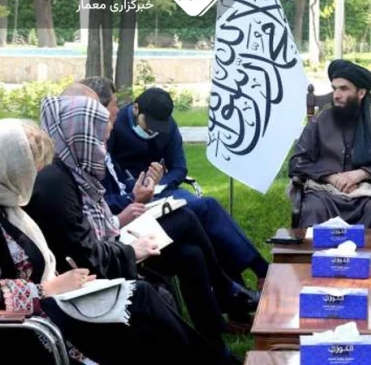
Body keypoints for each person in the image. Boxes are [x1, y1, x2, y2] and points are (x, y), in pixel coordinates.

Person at [0, 119, 236, 365]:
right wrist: (51, 288)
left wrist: (70, 283)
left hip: (39, 314)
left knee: (140, 301)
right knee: (139, 300)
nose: (34, 178)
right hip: (15, 336)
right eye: (31, 169)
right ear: (10, 167)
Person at [24, 94, 257, 339]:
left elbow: (170, 169)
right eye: (101, 139)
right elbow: (87, 248)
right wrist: (129, 228)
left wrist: (147, 187)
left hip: (119, 228)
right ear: (82, 132)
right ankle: (229, 291)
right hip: (108, 252)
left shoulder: (79, 168)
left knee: (192, 253)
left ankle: (214, 336)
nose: (103, 149)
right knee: (189, 218)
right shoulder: (59, 181)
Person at [102, 83, 269, 287]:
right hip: (132, 198)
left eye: (158, 126)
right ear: (136, 109)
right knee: (204, 212)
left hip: (165, 191)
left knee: (207, 210)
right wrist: (138, 188)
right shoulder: (115, 126)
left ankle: (245, 285)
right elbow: (110, 172)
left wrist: (160, 184)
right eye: (149, 124)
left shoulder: (167, 125)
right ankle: (253, 276)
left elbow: (179, 167)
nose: (153, 130)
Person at [288, 59, 371, 228]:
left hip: (367, 194)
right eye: (334, 88)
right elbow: (297, 162)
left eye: (343, 89)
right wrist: (331, 177)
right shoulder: (320, 121)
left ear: (361, 93)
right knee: (313, 209)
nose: (336, 95)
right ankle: (318, 248)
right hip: (324, 193)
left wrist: (362, 173)